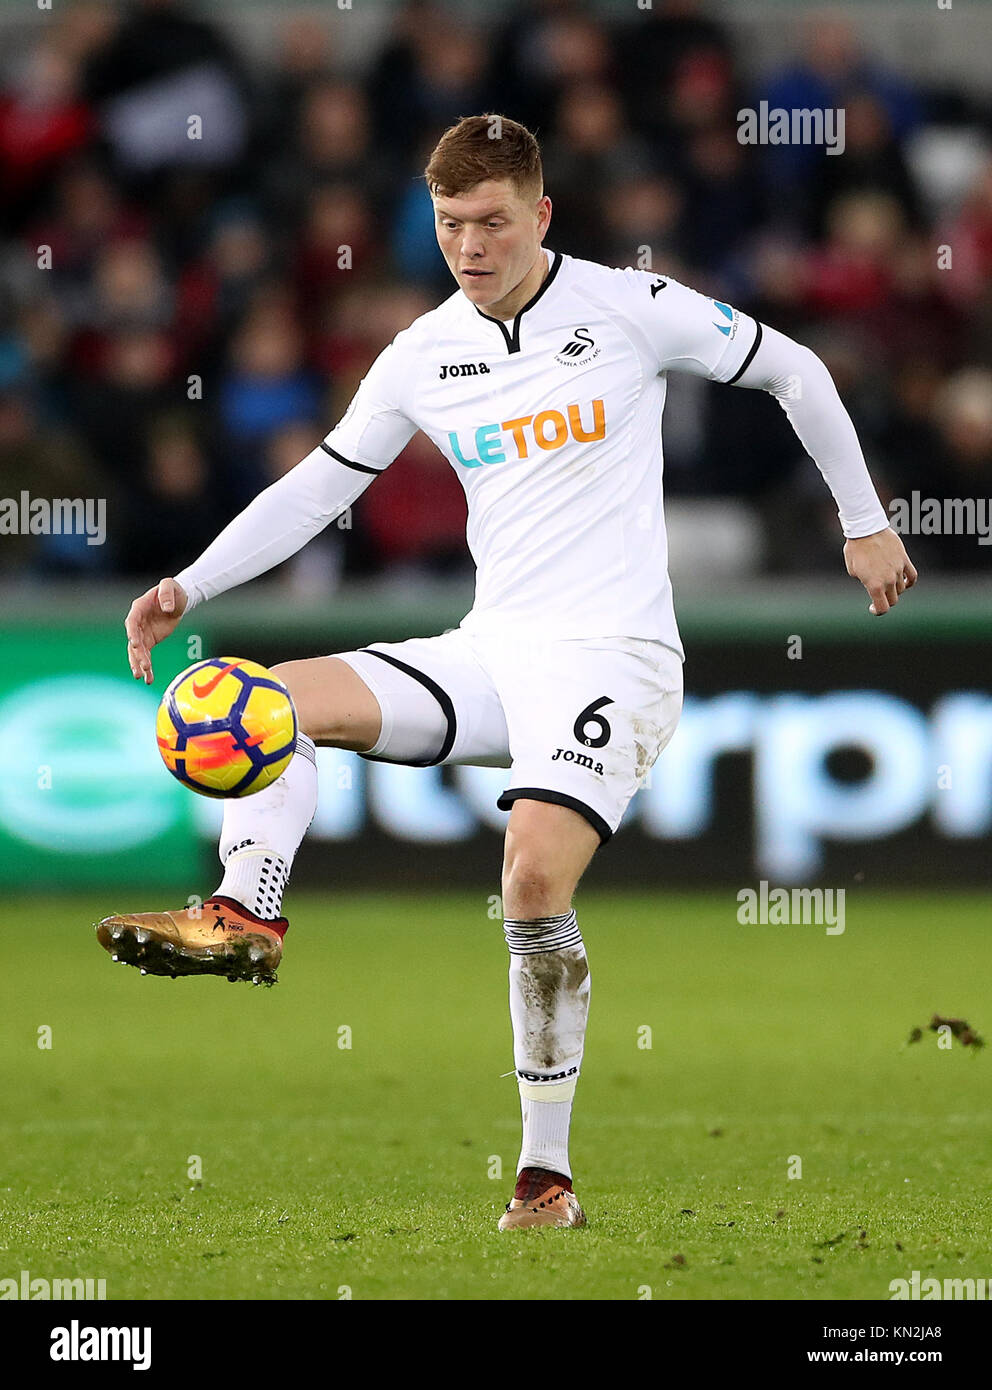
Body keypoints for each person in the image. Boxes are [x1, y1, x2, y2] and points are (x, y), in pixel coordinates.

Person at [100, 115, 917, 1232]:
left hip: (613, 659)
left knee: (529, 881)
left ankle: (545, 1177)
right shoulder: (422, 351)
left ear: (540, 214)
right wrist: (189, 584)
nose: (470, 246)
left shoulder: (630, 307)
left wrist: (862, 522)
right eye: (448, 224)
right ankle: (249, 913)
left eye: (491, 221)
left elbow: (796, 368)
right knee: (246, 697)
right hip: (489, 650)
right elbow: (319, 488)